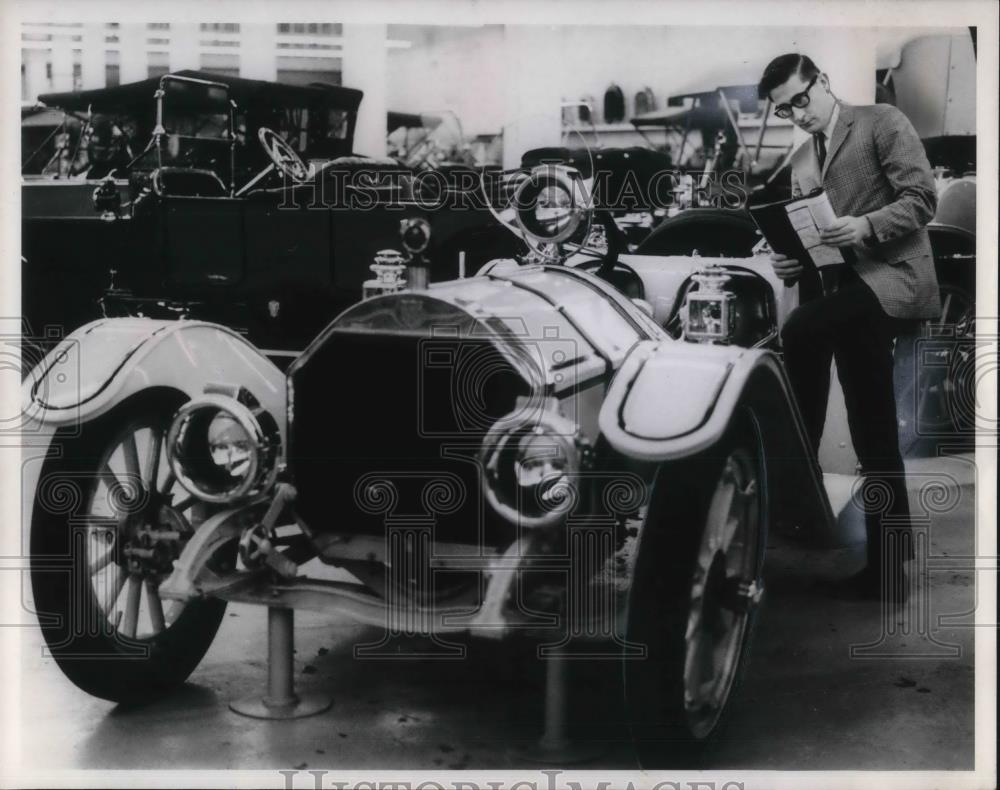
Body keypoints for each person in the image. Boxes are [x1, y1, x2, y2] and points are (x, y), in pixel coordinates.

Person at [757, 54, 940, 604]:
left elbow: (922, 200)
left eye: (801, 99)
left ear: (823, 82)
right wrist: (789, 261)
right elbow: (810, 236)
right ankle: (887, 569)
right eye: (784, 109)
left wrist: (864, 225)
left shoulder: (882, 122)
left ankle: (799, 451)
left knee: (801, 331)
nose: (797, 113)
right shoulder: (800, 158)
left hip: (892, 277)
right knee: (872, 429)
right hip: (843, 289)